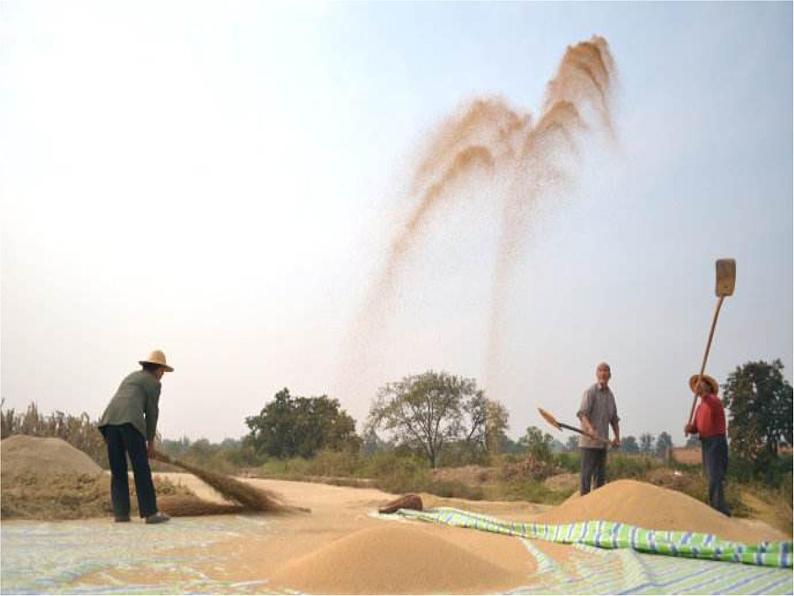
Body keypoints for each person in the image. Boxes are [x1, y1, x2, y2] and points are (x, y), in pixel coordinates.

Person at [98, 350, 174, 524]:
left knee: (118, 471)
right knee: (141, 468)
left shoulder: (132, 376)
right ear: (157, 369)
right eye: (162, 371)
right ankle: (151, 513)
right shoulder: (154, 383)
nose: (162, 375)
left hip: (109, 422)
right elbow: (152, 413)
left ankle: (121, 514)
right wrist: (151, 443)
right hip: (130, 423)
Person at [685, 374, 731, 516]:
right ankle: (716, 505)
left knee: (715, 475)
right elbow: (696, 427)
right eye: (696, 385)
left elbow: (709, 402)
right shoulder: (699, 408)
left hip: (716, 441)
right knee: (710, 474)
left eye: (701, 383)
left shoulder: (714, 401)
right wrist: (689, 428)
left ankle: (719, 508)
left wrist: (704, 393)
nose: (697, 386)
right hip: (706, 442)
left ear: (708, 387)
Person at [577, 362, 621, 495]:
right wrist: (590, 429)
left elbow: (614, 419)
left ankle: (596, 511)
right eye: (600, 370)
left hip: (602, 444)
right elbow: (582, 414)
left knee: (600, 478)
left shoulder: (610, 396)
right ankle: (583, 507)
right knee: (586, 476)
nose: (603, 373)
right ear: (596, 374)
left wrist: (617, 437)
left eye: (606, 371)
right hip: (589, 443)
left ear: (610, 375)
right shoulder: (590, 392)